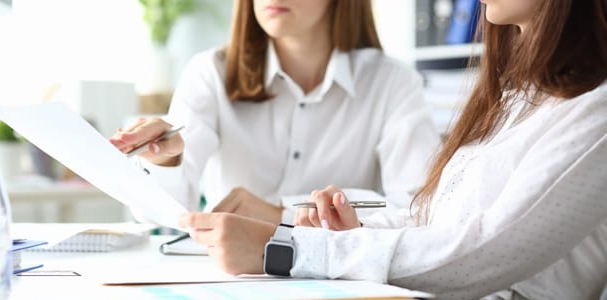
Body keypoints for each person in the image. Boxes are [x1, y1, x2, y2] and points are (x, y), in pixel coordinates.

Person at [179, 0, 607, 300]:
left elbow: (488, 250)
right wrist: (344, 230)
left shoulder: (595, 109)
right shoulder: (516, 99)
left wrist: (291, 250)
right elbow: (431, 218)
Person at [111, 0, 440, 224]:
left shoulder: (392, 83)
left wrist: (281, 213)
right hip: (228, 284)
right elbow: (164, 214)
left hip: (337, 288)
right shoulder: (209, 73)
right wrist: (166, 159)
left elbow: (421, 210)